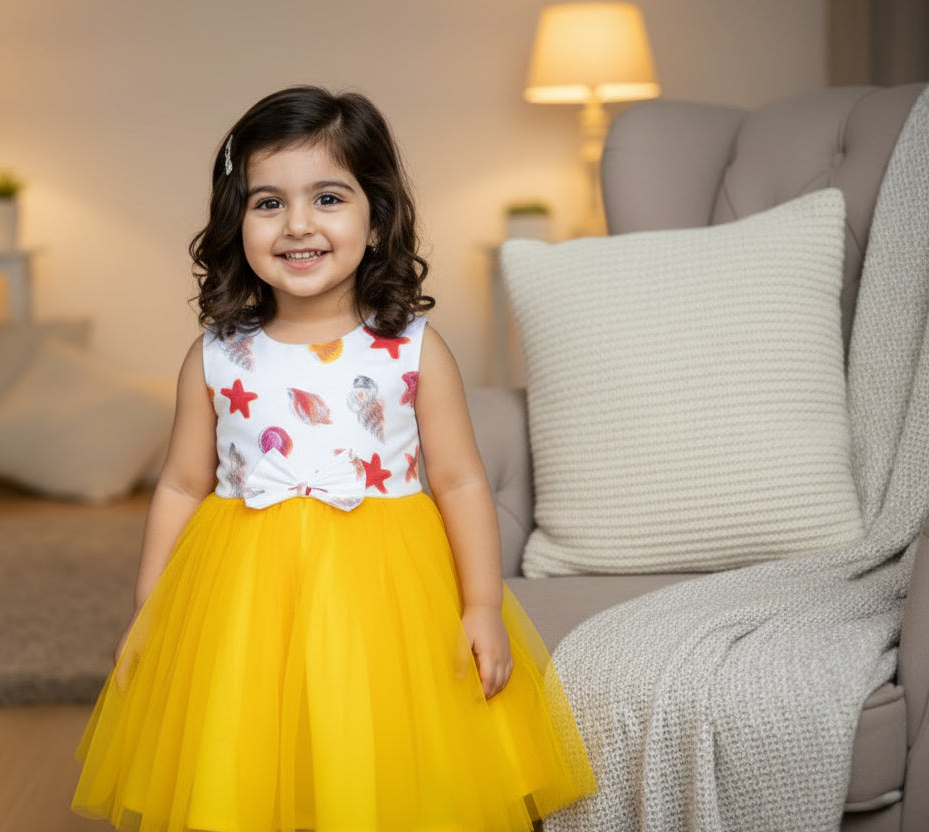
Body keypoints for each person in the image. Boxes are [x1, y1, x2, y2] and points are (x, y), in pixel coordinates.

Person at [73, 85, 594, 831]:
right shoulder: (217, 357)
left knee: (376, 736)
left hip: (387, 587)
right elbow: (183, 486)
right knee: (249, 738)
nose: (298, 225)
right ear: (236, 222)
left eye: (327, 197)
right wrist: (152, 613)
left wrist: (481, 605)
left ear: (376, 219)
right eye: (268, 203)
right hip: (242, 592)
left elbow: (459, 479)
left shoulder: (412, 348)